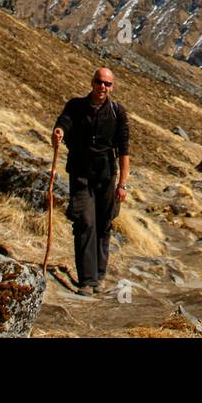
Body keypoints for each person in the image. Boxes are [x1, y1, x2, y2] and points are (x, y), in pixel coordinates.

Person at [52, 67, 131, 295]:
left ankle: (100, 274)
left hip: (107, 176)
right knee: (85, 221)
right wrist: (58, 132)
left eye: (107, 84)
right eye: (99, 82)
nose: (102, 87)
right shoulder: (76, 106)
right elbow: (63, 123)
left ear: (112, 87)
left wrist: (122, 185)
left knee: (104, 223)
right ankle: (87, 280)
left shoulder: (117, 113)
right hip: (81, 174)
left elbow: (124, 150)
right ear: (92, 82)